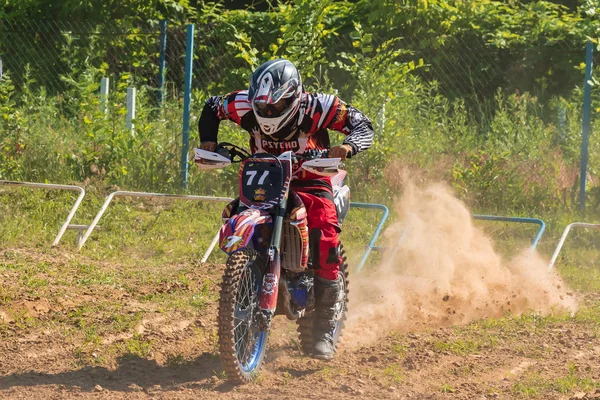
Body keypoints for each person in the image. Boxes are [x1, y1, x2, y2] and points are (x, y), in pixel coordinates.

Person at [198, 58, 374, 360]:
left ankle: (323, 328)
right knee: (235, 214)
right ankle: (253, 272)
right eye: (262, 108)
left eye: (274, 109)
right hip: (264, 178)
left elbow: (362, 124)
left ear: (293, 99)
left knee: (325, 237)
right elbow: (212, 107)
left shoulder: (320, 106)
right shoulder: (242, 104)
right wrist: (209, 143)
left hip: (312, 178)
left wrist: (347, 147)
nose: (266, 114)